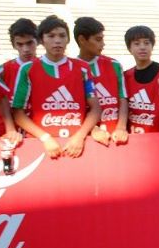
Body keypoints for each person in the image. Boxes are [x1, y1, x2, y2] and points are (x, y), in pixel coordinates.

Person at [11, 15, 102, 158]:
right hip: (41, 145)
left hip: (76, 145)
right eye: (51, 36)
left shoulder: (82, 68)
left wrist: (80, 136)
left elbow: (95, 108)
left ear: (68, 40)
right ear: (41, 40)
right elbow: (18, 113)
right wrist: (45, 138)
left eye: (62, 35)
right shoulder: (27, 69)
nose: (57, 40)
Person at [74, 16, 129, 145]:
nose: (103, 44)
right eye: (98, 39)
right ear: (82, 40)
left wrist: (121, 127)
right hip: (86, 138)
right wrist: (93, 128)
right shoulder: (72, 68)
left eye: (102, 39)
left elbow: (123, 98)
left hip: (116, 135)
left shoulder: (114, 65)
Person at [123, 25, 159, 133]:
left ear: (152, 46)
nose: (142, 47)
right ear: (129, 48)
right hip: (135, 141)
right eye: (137, 43)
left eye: (147, 43)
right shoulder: (125, 76)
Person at [0, 18, 40, 137]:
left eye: (29, 43)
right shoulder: (2, 70)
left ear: (38, 41)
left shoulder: (45, 67)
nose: (25, 49)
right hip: (8, 133)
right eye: (20, 44)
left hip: (35, 131)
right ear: (14, 45)